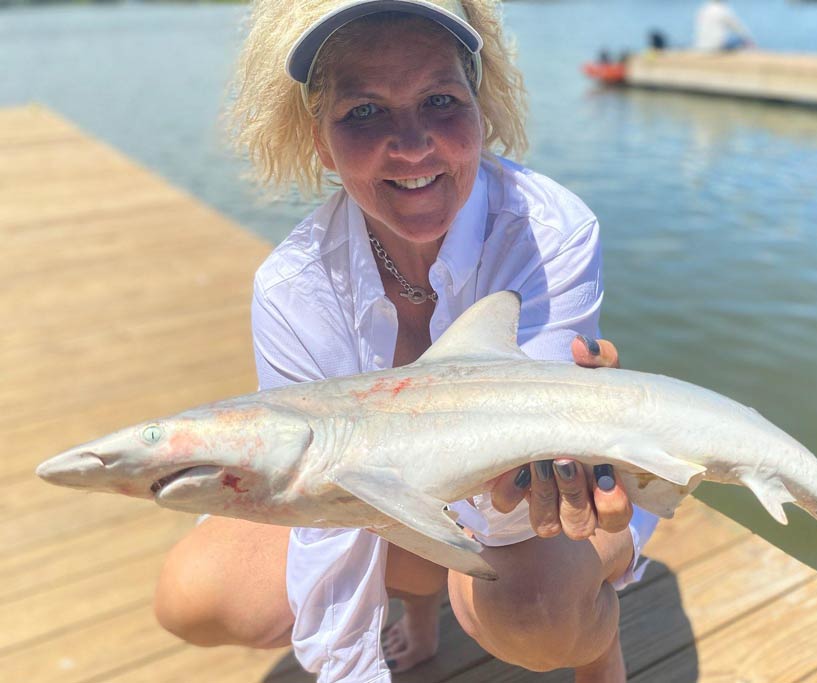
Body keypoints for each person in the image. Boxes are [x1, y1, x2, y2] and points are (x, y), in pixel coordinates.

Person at [152, 1, 659, 681]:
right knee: (196, 592)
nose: (413, 144)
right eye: (364, 112)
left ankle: (603, 595)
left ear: (482, 107)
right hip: (393, 500)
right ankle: (419, 609)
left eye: (441, 100)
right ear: (318, 140)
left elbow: (518, 490)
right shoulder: (291, 289)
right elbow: (321, 511)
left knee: (541, 605)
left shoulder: (551, 230)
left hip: (521, 516)